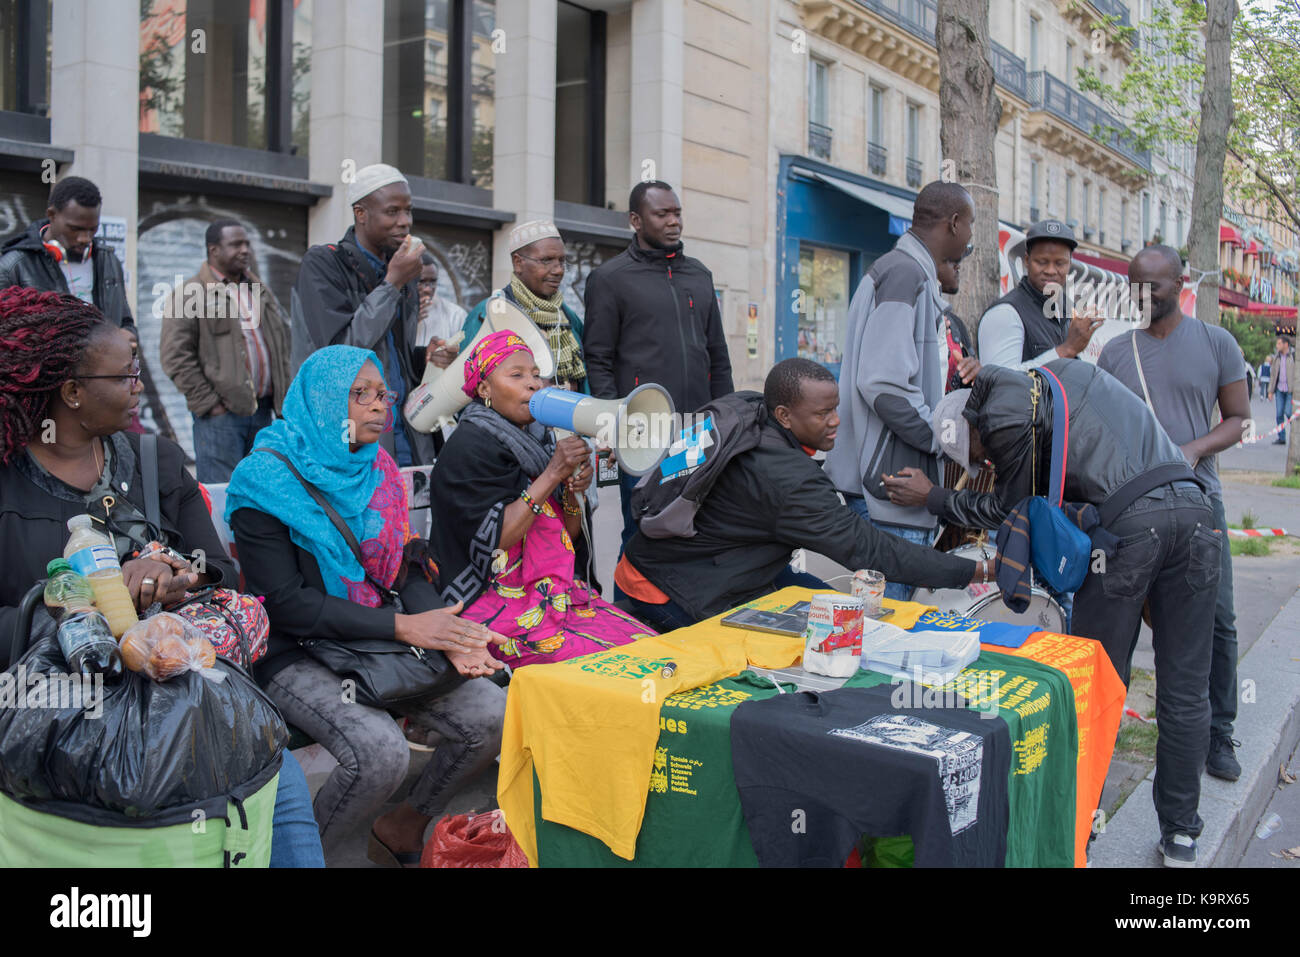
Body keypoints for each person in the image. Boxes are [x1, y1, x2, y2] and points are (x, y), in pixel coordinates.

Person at [0, 287, 322, 868]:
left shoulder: (156, 460)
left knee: (290, 827)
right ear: (72, 392)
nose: (140, 386)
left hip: (199, 701)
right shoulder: (8, 488)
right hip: (65, 727)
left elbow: (216, 569)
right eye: (125, 376)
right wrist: (79, 613)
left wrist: (175, 572)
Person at [882, 360, 1221, 867]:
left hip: (1132, 531)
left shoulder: (1002, 416)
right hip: (1197, 515)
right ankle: (1181, 837)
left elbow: (1009, 510)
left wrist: (935, 498)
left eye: (978, 457)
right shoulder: (1052, 383)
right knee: (1187, 688)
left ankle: (1078, 828)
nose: (987, 466)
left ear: (974, 427)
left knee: (1095, 682)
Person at [225, 345, 507, 865]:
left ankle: (402, 824)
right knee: (379, 753)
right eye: (360, 395)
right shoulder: (265, 481)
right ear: (325, 402)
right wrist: (407, 628)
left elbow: (403, 564)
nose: (380, 407)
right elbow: (284, 604)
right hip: (297, 648)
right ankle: (307, 855)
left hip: (375, 638)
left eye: (383, 394)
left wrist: (446, 630)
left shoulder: (376, 467)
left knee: (493, 713)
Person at [617, 359, 989, 631]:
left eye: (836, 409)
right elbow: (869, 549)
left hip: (694, 558)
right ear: (784, 414)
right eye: (823, 413)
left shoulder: (746, 406)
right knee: (826, 633)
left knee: (840, 611)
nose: (836, 421)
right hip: (668, 585)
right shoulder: (788, 481)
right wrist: (977, 569)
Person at [1098, 244, 1250, 782]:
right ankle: (1102, 732)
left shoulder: (1217, 342)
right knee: (1121, 622)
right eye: (1134, 286)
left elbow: (1238, 419)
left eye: (1152, 287)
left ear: (1180, 283)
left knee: (1219, 619)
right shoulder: (1116, 352)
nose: (1141, 295)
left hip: (1200, 499)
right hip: (1131, 508)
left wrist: (1193, 449)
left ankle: (1218, 733)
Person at [426, 331, 655, 666]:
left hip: (553, 594)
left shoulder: (536, 440)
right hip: (493, 604)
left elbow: (567, 534)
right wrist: (552, 474)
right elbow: (496, 542)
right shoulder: (468, 447)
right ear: (484, 389)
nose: (533, 384)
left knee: (647, 647)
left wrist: (573, 490)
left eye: (535, 375)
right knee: (616, 664)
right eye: (516, 375)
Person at [823, 181, 978, 601]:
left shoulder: (908, 274)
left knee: (882, 624)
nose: (971, 239)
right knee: (882, 628)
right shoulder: (904, 274)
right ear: (954, 223)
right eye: (971, 226)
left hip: (889, 488)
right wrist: (943, 438)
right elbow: (883, 384)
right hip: (889, 491)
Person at [583, 181, 734, 549]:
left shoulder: (699, 274)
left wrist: (730, 419)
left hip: (697, 430)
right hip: (641, 433)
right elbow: (598, 359)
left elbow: (717, 353)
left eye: (677, 213)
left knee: (699, 527)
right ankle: (628, 607)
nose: (673, 221)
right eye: (662, 214)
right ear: (636, 220)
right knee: (641, 532)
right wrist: (612, 426)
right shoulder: (609, 279)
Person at [289, 163, 428, 466]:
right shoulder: (323, 263)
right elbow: (341, 353)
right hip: (349, 436)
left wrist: (424, 357)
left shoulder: (402, 268)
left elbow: (393, 356)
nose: (404, 222)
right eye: (392, 212)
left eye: (408, 211)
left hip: (403, 428)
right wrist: (392, 285)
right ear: (361, 213)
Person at [159, 219, 292, 484]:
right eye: (235, 244)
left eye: (247, 244)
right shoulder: (190, 294)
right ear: (214, 250)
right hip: (221, 419)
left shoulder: (259, 290)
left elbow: (280, 345)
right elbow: (175, 356)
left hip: (265, 413)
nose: (245, 250)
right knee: (223, 493)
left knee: (262, 494)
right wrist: (210, 405)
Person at [0, 176, 134, 338]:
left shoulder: (108, 261)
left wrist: (128, 335)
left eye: (92, 229)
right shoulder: (14, 266)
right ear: (52, 215)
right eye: (75, 229)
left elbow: (125, 321)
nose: (85, 238)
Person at [461, 220, 588, 392]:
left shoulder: (567, 316)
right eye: (546, 260)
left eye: (562, 261)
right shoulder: (487, 313)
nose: (558, 270)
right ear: (518, 262)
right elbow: (469, 384)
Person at [976, 220, 1105, 370]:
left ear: (1070, 264)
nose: (1050, 270)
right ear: (1027, 261)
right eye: (1042, 262)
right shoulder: (1005, 313)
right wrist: (1067, 350)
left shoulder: (1069, 309)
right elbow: (999, 382)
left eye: (1060, 263)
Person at [414, 250, 467, 374]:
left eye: (432, 282)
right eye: (421, 282)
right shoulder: (396, 312)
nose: (428, 289)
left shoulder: (455, 314)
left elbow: (467, 359)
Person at [1268, 336, 1294, 445]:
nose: (1277, 346)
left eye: (1279, 343)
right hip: (1279, 389)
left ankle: (1296, 433)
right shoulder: (1276, 358)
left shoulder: (1293, 356)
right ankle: (1281, 437)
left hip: (1290, 390)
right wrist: (1270, 391)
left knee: (1289, 413)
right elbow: (1273, 375)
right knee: (1279, 414)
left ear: (1286, 344)